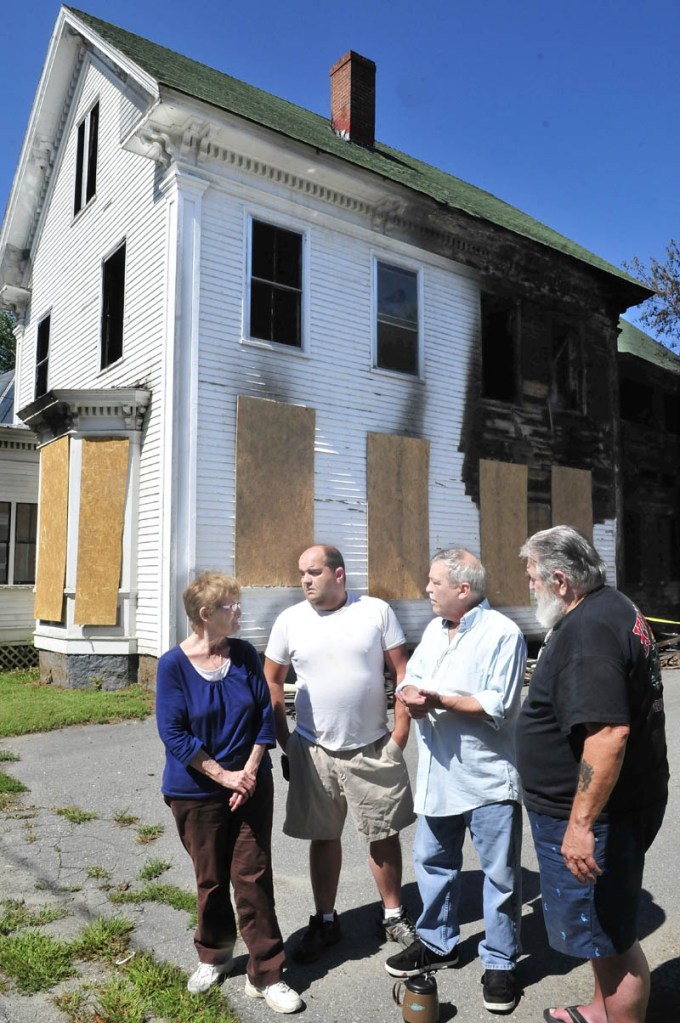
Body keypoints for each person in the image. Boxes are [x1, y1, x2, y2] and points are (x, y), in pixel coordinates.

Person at [516, 526, 669, 1023]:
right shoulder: (612, 605)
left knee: (611, 937)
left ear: (561, 580)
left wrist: (580, 827)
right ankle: (600, 1011)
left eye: (533, 577)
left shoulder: (588, 632)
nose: (530, 587)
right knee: (600, 932)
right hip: (615, 807)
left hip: (594, 817)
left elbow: (607, 736)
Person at [384, 548, 527, 1016]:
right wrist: (410, 693)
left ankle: (501, 961)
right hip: (437, 776)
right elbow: (413, 679)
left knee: (500, 876)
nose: (427, 589)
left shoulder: (503, 633)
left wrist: (438, 699)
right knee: (434, 862)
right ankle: (437, 943)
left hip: (487, 779)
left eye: (434, 582)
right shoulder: (432, 630)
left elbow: (497, 704)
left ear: (463, 590)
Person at [156, 571, 302, 1015]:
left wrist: (250, 771)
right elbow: (174, 733)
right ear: (206, 615)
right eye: (231, 606)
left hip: (251, 785)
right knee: (212, 880)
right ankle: (214, 956)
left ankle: (267, 973)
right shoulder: (173, 665)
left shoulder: (242, 654)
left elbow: (264, 712)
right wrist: (223, 776)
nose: (239, 612)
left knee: (253, 877)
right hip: (196, 792)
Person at [263, 544, 416, 964]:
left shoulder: (375, 612)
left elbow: (401, 669)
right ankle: (327, 920)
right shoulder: (290, 621)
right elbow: (272, 680)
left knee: (383, 834)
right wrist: (284, 738)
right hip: (313, 749)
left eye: (313, 572)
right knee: (323, 836)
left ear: (339, 574)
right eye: (301, 574)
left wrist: (400, 731)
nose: (305, 581)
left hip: (372, 746)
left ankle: (393, 915)